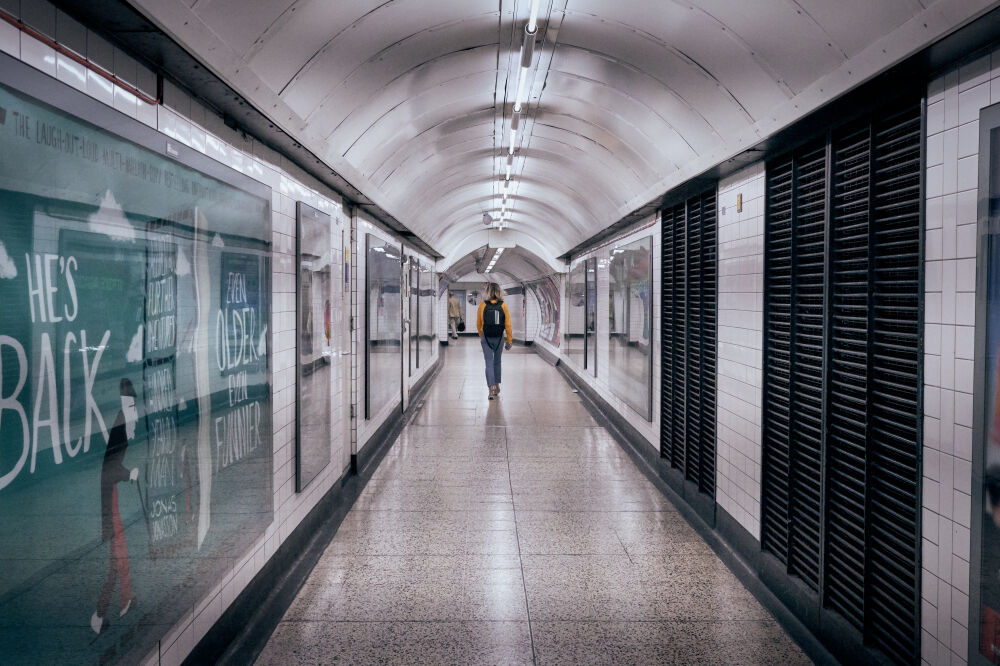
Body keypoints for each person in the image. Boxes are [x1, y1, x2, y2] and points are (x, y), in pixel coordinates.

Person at [92, 377, 140, 634]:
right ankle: (108, 610)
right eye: (133, 408)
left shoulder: (123, 424)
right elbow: (110, 467)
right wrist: (128, 474)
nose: (137, 414)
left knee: (118, 555)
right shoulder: (122, 426)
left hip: (111, 495)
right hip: (109, 497)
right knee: (117, 554)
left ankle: (120, 604)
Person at [477, 282, 513, 399]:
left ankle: (490, 390)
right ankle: (497, 386)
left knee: (488, 363)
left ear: (487, 292)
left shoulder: (482, 305)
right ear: (499, 291)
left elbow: (478, 323)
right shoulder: (503, 305)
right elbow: (508, 324)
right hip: (499, 338)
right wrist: (509, 339)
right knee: (497, 362)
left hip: (486, 338)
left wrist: (482, 336)